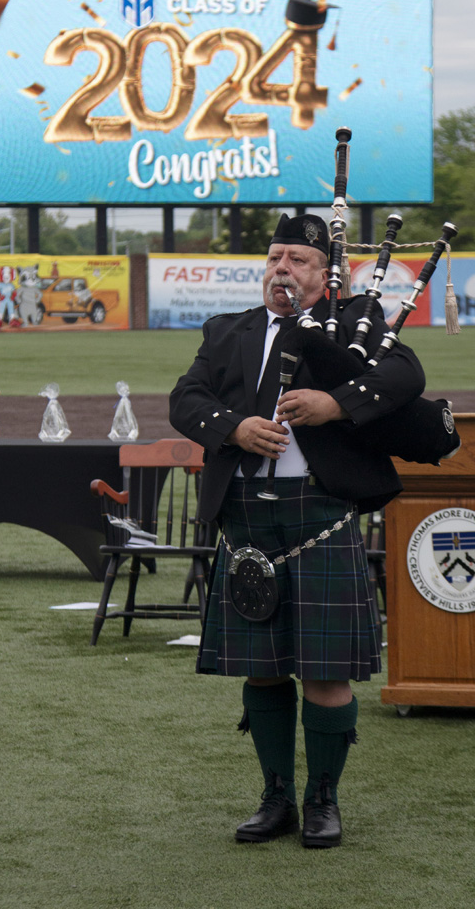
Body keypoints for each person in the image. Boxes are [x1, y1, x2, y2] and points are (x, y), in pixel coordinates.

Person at [169, 213, 425, 849]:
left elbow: (404, 378)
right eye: (275, 257)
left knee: (325, 670)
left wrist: (334, 404)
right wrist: (233, 428)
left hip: (320, 512)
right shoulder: (228, 331)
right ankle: (276, 794)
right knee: (261, 668)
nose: (282, 268)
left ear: (323, 274)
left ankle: (323, 799)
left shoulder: (354, 325)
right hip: (246, 516)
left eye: (298, 261)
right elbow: (186, 398)